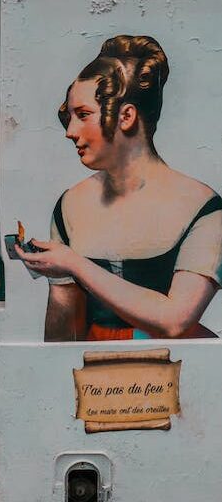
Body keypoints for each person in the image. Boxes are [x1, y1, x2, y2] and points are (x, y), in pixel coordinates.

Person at [16, 35, 222, 341]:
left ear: (126, 116)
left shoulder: (201, 207)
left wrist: (74, 264)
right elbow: (62, 342)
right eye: (69, 118)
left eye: (83, 115)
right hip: (95, 382)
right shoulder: (71, 205)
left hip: (174, 377)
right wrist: (58, 281)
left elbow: (175, 321)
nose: (70, 132)